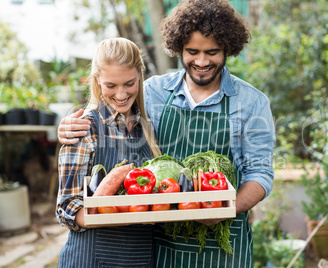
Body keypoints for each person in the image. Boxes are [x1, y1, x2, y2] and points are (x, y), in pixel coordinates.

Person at [57, 0, 275, 267]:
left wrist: (224, 209)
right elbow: (111, 106)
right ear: (178, 48)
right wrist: (70, 126)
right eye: (192, 51)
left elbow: (260, 173)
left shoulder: (252, 102)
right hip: (160, 247)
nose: (202, 61)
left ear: (228, 48)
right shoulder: (152, 92)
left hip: (222, 242)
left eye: (213, 52)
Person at [56, 37, 161, 268]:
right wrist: (116, 213)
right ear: (97, 80)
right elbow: (66, 208)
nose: (121, 95)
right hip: (91, 260)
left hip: (139, 259)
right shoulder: (85, 129)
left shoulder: (147, 128)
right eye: (111, 86)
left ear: (140, 76)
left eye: (129, 83)